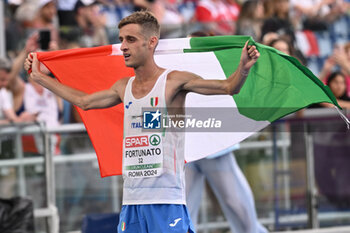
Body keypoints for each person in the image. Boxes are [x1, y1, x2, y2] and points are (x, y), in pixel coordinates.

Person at [24, 11, 260, 233]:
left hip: (167, 201)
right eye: (121, 40)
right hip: (132, 200)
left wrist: (243, 68)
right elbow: (84, 102)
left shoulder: (173, 81)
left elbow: (228, 87)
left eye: (130, 39)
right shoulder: (123, 86)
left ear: (151, 42)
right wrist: (40, 78)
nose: (123, 46)